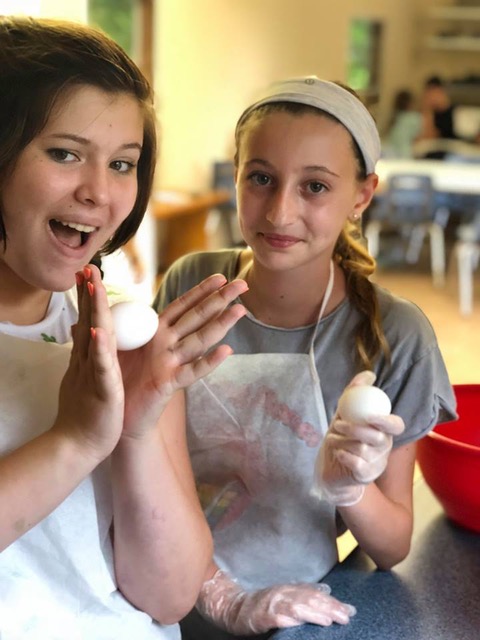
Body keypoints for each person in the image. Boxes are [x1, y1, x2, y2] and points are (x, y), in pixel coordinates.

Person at [154, 76, 457, 639]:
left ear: (362, 194)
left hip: (295, 612)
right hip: (161, 581)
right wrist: (216, 591)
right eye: (261, 178)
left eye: (315, 186)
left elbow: (392, 547)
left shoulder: (394, 334)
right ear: (237, 173)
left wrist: (352, 488)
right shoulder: (193, 284)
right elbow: (148, 454)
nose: (279, 212)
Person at [0, 16, 249, 639]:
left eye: (123, 164)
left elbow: (167, 597)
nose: (99, 194)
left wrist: (136, 432)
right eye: (64, 153)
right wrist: (77, 440)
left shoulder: (122, 335)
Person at [382, 89, 422, 158]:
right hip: (404, 156)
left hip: (388, 155)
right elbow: (419, 139)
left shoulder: (394, 119)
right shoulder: (415, 118)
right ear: (411, 103)